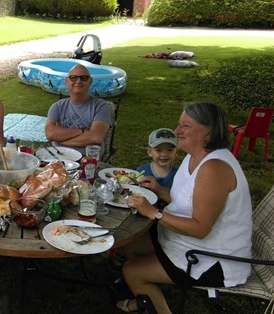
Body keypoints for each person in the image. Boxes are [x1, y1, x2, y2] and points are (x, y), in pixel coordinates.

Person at [116, 102, 252, 313]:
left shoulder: (214, 168)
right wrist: (160, 190)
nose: (177, 130)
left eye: (186, 126)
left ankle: (150, 297)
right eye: (179, 124)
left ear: (207, 133)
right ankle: (145, 292)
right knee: (130, 246)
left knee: (131, 270)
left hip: (211, 257)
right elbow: (188, 201)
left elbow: (200, 228)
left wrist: (154, 213)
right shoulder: (194, 155)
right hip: (183, 239)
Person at [45, 64, 112, 156]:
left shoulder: (101, 106)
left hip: (87, 160)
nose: (78, 81)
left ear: (90, 81)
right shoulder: (57, 106)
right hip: (58, 156)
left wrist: (61, 140)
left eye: (83, 78)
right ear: (67, 81)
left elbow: (95, 137)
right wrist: (82, 131)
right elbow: (50, 133)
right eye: (73, 78)